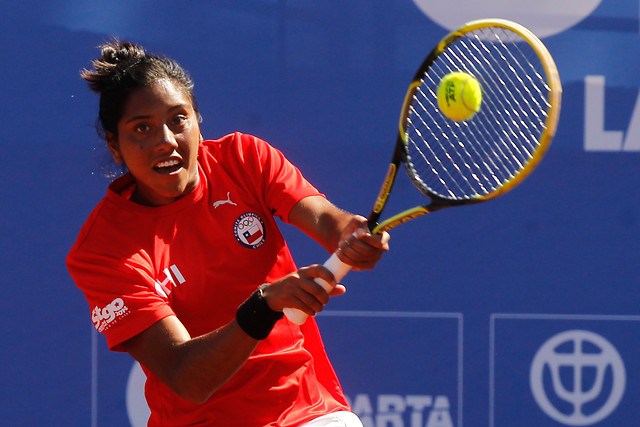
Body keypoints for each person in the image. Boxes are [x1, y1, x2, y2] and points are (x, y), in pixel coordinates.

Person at [66, 39, 390, 426]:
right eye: (142, 128)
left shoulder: (244, 159)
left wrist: (348, 233)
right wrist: (263, 306)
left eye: (178, 119)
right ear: (114, 147)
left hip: (310, 414)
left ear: (198, 122)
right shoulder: (103, 251)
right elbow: (187, 376)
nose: (166, 140)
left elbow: (323, 219)